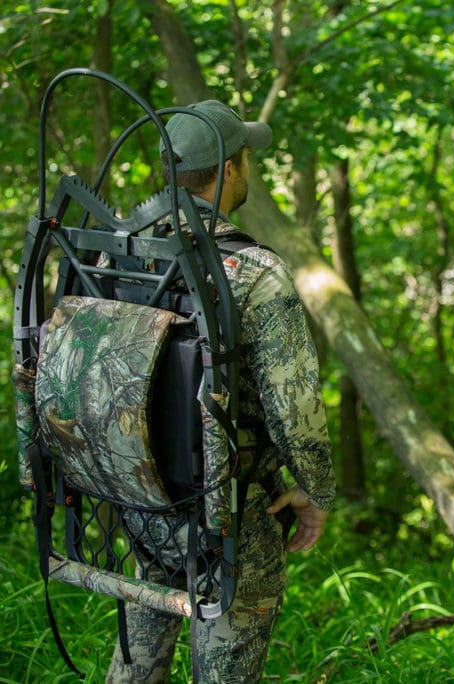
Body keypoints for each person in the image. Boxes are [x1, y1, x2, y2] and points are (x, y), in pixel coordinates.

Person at [106, 100, 335, 682]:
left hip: (138, 500)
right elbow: (297, 410)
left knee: (135, 666)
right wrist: (315, 493)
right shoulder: (253, 271)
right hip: (226, 517)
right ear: (230, 170)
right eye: (246, 158)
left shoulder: (121, 256)